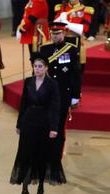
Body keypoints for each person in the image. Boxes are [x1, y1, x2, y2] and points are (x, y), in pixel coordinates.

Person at [10, 54, 66, 194]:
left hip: (44, 122)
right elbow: (23, 104)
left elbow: (55, 107)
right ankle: (24, 189)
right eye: (35, 66)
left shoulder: (52, 84)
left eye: (40, 66)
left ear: (46, 67)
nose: (37, 69)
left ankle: (41, 186)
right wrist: (19, 124)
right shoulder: (28, 82)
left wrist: (54, 128)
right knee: (25, 155)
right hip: (29, 121)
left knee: (41, 156)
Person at [40, 22, 81, 158]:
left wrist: (75, 95)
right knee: (46, 123)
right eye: (52, 33)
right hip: (47, 93)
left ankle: (57, 156)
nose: (55, 36)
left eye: (58, 34)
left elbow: (76, 74)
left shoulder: (72, 50)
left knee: (59, 126)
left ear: (64, 34)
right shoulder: (44, 50)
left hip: (63, 93)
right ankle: (46, 152)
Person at [54, 0, 94, 72]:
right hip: (62, 40)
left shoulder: (85, 9)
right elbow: (55, 26)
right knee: (63, 65)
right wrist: (60, 20)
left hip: (76, 41)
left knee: (75, 66)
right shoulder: (61, 8)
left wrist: (66, 24)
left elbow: (85, 28)